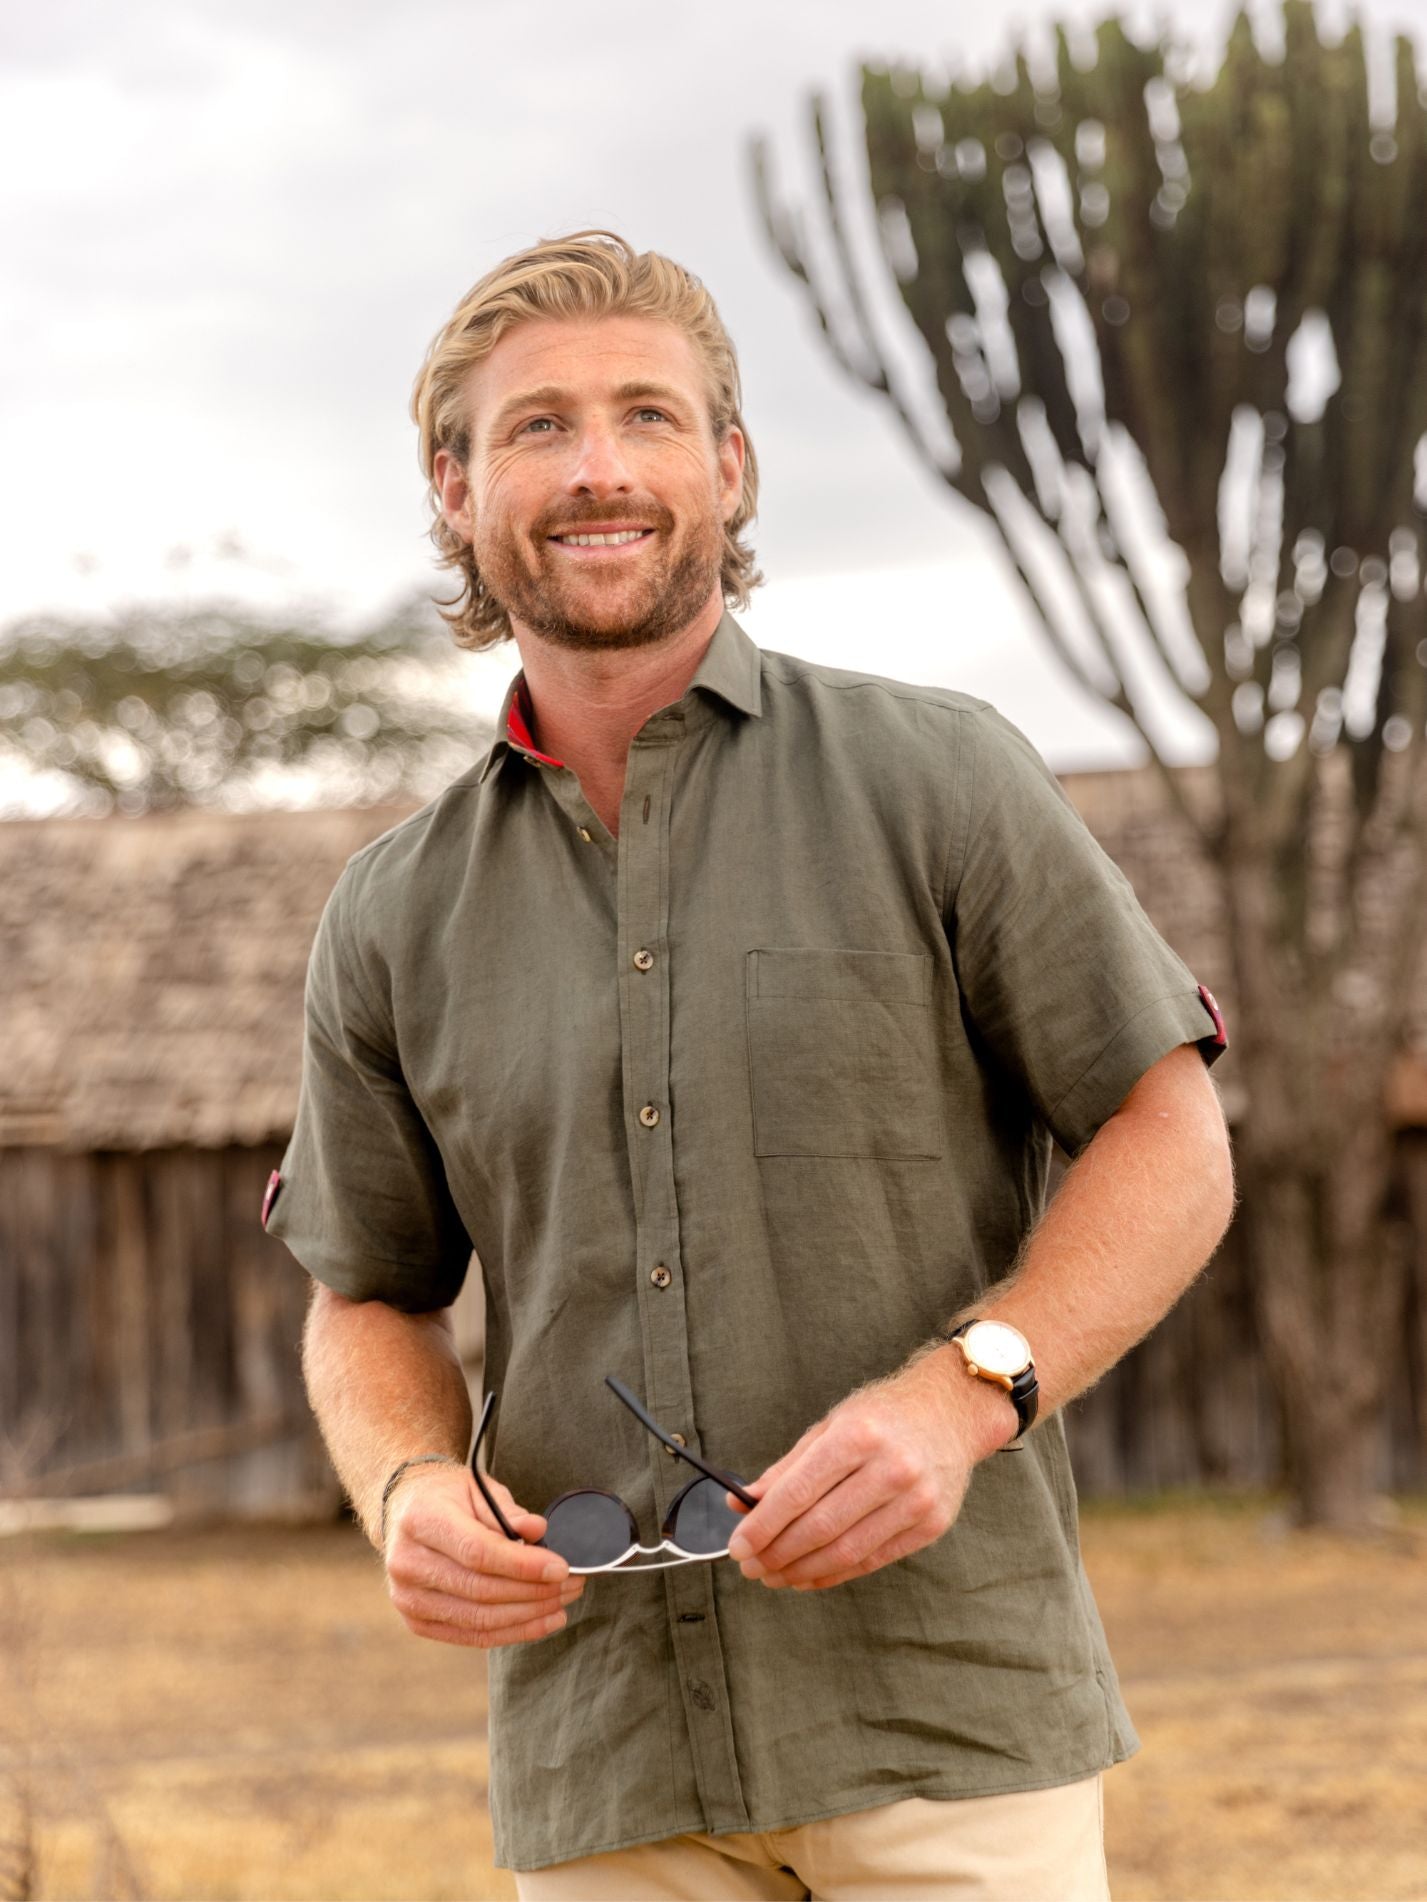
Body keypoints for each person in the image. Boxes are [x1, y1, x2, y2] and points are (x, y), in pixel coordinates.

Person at [265, 229, 1235, 1900]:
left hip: (947, 1729)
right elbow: (366, 1292)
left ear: (730, 465)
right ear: (455, 485)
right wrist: (407, 1480)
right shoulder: (390, 912)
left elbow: (1171, 1131)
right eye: (536, 427)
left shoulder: (940, 778)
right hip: (607, 1763)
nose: (596, 470)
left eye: (648, 416)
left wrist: (963, 1391)